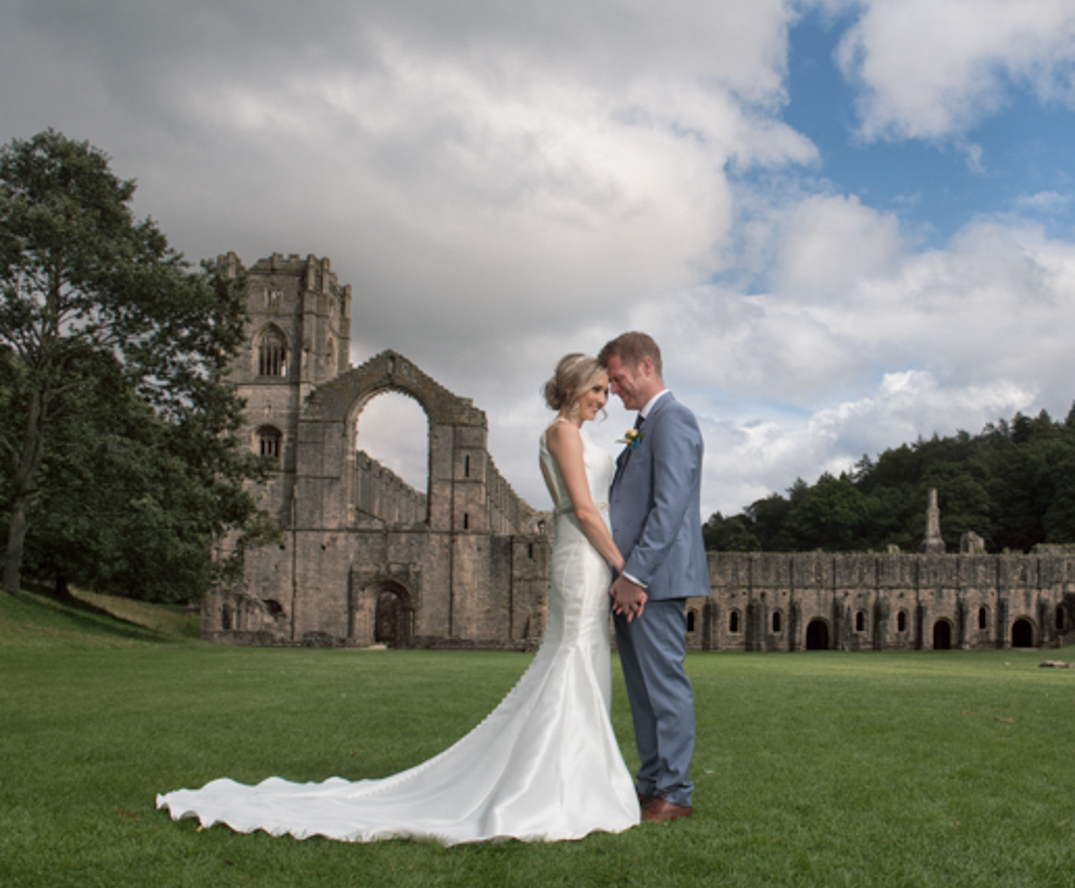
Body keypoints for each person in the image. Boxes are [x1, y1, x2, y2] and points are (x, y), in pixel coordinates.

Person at [155, 354, 639, 844]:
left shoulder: (578, 435)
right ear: (575, 388)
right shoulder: (561, 432)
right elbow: (581, 507)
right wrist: (625, 566)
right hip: (582, 555)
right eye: (597, 389)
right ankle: (555, 785)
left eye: (605, 390)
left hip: (587, 555)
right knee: (572, 656)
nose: (603, 399)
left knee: (580, 658)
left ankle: (574, 777)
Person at [600, 332, 711, 823]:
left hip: (654, 582)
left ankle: (675, 794)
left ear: (646, 366)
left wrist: (635, 575)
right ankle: (652, 786)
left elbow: (670, 507)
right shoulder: (648, 426)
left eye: (619, 379)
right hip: (635, 582)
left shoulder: (674, 420)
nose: (614, 390)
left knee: (663, 686)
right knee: (643, 691)